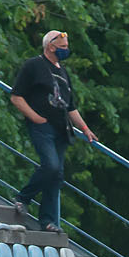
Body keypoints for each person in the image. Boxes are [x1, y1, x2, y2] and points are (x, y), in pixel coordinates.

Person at [7, 30, 95, 229]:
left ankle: (48, 220)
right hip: (42, 127)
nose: (66, 50)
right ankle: (23, 197)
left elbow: (70, 107)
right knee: (51, 166)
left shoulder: (63, 72)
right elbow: (16, 96)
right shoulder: (33, 65)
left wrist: (85, 128)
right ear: (50, 46)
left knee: (56, 176)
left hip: (62, 129)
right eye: (62, 47)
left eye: (66, 47)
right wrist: (35, 117)